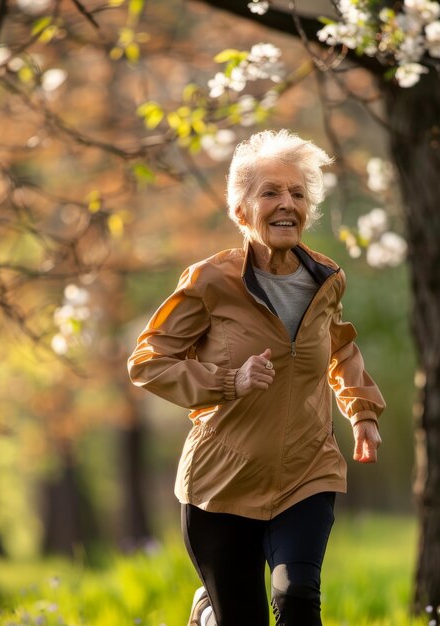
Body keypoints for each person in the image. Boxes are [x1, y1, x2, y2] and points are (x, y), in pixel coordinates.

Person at [127, 129, 385, 626]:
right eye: (270, 192)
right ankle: (210, 613)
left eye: (297, 193)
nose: (286, 203)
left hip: (307, 472)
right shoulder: (210, 281)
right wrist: (228, 381)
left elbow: (339, 345)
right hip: (221, 484)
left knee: (297, 599)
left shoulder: (327, 278)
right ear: (241, 210)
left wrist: (362, 411)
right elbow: (147, 361)